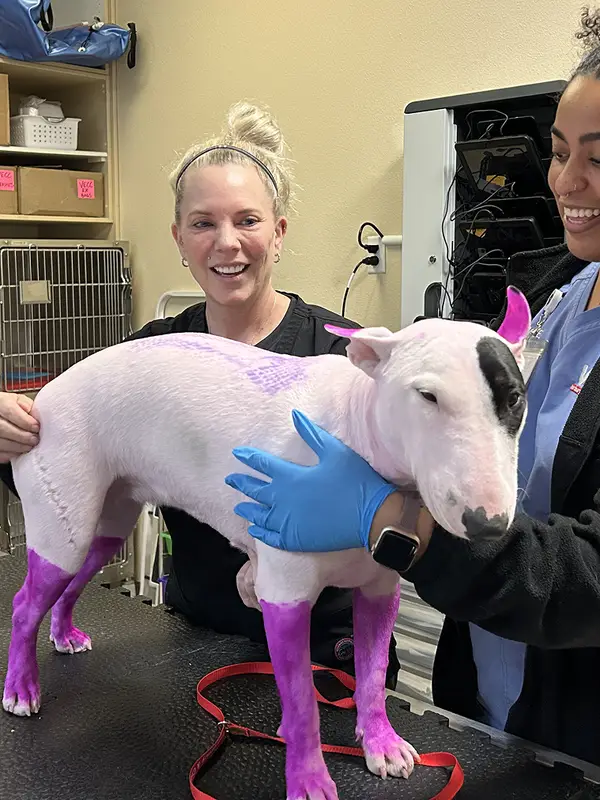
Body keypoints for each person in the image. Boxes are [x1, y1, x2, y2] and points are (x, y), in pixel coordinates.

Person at [225, 12, 600, 767]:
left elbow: (589, 577)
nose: (566, 182)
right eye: (558, 154)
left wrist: (394, 520)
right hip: (489, 700)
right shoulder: (564, 294)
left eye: (596, 157)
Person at [0, 101, 400, 686]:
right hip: (195, 643)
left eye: (248, 220)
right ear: (179, 238)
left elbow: (397, 508)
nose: (227, 243)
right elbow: (60, 471)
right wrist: (13, 430)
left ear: (280, 232)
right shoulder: (155, 354)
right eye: (204, 223)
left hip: (327, 649)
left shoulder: (339, 358)